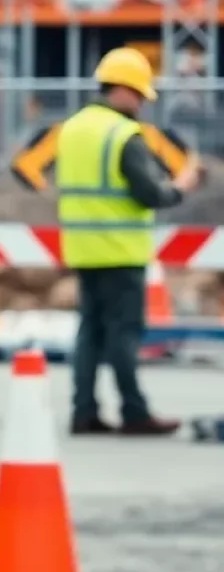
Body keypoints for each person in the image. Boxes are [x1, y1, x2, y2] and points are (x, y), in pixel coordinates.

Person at [55, 46, 201, 437]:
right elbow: (150, 194)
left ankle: (83, 411)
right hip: (120, 249)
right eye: (138, 94)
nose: (140, 103)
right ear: (121, 89)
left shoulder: (72, 128)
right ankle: (134, 411)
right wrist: (182, 186)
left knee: (90, 331)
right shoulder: (124, 135)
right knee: (123, 332)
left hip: (83, 247)